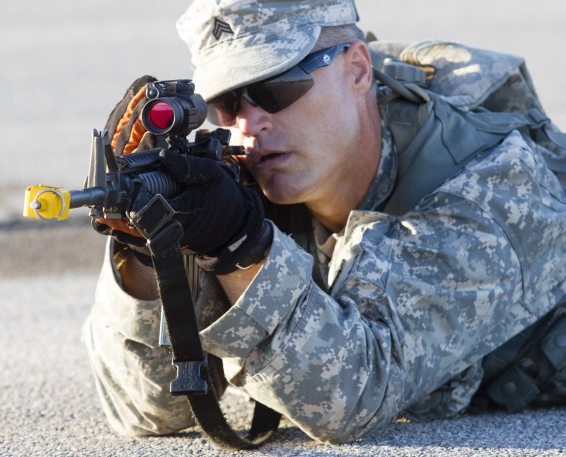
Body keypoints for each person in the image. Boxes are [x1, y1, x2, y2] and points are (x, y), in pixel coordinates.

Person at [82, 0, 566, 444]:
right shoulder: (243, 173)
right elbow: (148, 412)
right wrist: (151, 250)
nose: (249, 126)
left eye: (274, 89)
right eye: (226, 103)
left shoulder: (491, 184)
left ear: (357, 69)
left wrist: (238, 248)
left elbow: (350, 397)